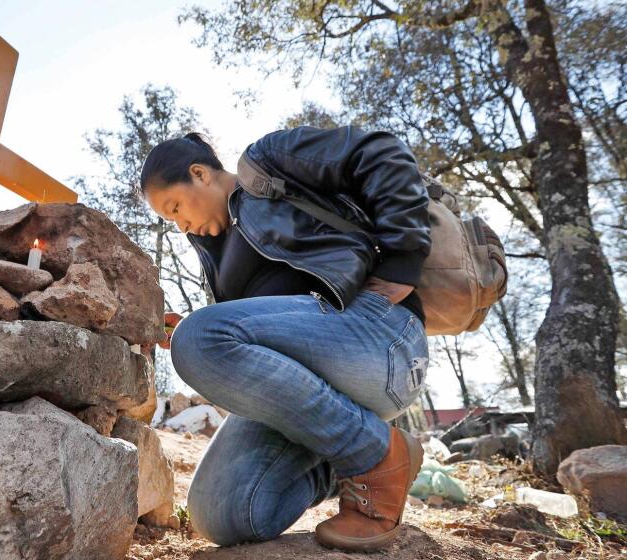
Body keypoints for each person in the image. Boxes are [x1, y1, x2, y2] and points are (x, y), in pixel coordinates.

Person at [140, 125, 431, 552]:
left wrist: (402, 263)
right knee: (222, 514)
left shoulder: (268, 162)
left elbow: (379, 150)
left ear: (200, 173)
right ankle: (360, 456)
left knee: (198, 337)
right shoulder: (215, 258)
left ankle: (374, 455)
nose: (181, 224)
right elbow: (274, 327)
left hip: (380, 337)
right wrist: (196, 332)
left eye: (176, 207)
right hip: (318, 382)